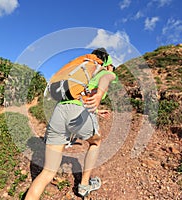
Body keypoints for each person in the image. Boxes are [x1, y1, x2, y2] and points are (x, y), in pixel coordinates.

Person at [24, 48, 117, 199]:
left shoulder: (83, 72)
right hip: (77, 112)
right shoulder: (104, 71)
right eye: (113, 66)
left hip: (59, 111)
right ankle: (84, 186)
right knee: (96, 143)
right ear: (107, 62)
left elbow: (78, 98)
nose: (113, 69)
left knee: (47, 171)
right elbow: (107, 78)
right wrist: (100, 95)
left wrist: (97, 111)